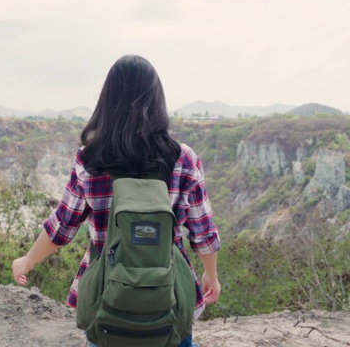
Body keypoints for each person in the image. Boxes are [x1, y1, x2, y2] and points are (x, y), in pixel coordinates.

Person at [12, 55, 221, 347]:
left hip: (107, 295)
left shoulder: (90, 158)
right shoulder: (183, 158)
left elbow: (62, 227)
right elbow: (203, 232)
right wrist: (211, 275)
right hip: (169, 294)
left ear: (107, 101)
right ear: (157, 100)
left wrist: (27, 261)